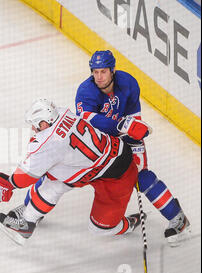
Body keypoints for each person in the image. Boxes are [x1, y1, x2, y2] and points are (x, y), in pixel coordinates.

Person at [74, 50, 191, 247]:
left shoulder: (128, 83)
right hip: (97, 142)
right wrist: (122, 126)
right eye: (95, 72)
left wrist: (133, 134)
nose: (99, 77)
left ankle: (177, 217)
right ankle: (32, 210)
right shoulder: (85, 91)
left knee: (142, 177)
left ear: (112, 70)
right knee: (64, 166)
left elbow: (133, 115)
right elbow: (87, 122)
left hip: (124, 137)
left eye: (103, 71)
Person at [0, 98, 144, 246]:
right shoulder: (63, 112)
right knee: (53, 181)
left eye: (35, 125)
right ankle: (27, 221)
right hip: (92, 163)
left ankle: (129, 224)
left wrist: (9, 183)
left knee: (101, 228)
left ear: (44, 123)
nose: (33, 129)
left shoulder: (48, 143)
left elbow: (25, 177)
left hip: (118, 174)